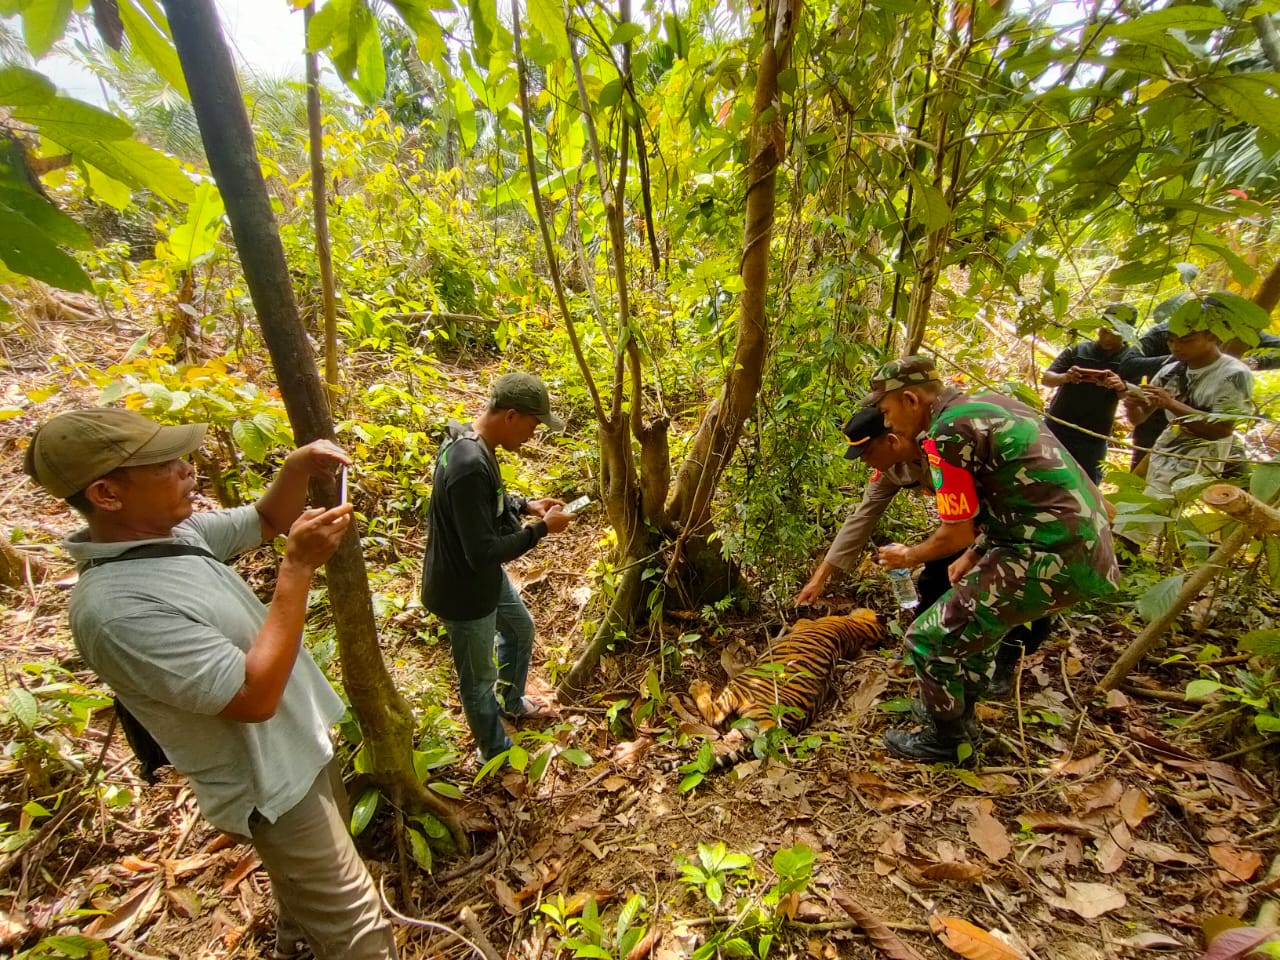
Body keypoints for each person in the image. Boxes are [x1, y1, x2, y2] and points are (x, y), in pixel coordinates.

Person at [22, 409, 395, 960]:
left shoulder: (176, 536)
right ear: (107, 493)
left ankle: (295, 944)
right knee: (360, 929)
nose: (187, 471)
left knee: (309, 890)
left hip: (302, 746)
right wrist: (297, 569)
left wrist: (295, 470)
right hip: (270, 784)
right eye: (164, 465)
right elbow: (252, 698)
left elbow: (266, 519)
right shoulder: (117, 610)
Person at [868, 356, 1118, 763]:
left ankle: (948, 740)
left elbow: (956, 532)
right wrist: (979, 552)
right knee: (973, 622)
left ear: (911, 399)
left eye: (886, 412)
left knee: (927, 639)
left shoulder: (945, 434)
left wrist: (909, 555)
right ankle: (959, 712)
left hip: (1051, 552)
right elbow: (1017, 495)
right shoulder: (992, 403)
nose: (889, 424)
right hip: (1072, 545)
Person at [795, 406, 1050, 698]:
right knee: (934, 582)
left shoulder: (947, 444)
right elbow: (862, 517)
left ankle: (1006, 662)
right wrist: (820, 577)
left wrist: (913, 555)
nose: (865, 463)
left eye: (867, 455)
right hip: (965, 524)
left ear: (891, 441)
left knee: (1025, 587)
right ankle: (931, 657)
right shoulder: (892, 468)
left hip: (1013, 517)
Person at [421, 372, 574, 762]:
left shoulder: (474, 445)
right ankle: (494, 751)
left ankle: (511, 702)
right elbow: (484, 551)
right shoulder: (469, 464)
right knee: (477, 680)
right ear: (510, 415)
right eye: (533, 424)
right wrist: (542, 529)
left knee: (520, 628)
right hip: (463, 590)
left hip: (480, 579)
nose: (533, 434)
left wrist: (526, 505)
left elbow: (486, 503)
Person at [1120, 314, 1254, 543]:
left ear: (1211, 337)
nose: (1176, 347)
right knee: (1139, 503)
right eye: (1172, 341)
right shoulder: (1170, 370)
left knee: (1151, 509)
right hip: (1168, 444)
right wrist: (1131, 404)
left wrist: (1171, 403)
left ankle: (1124, 557)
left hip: (1204, 449)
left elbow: (1222, 429)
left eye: (1186, 340)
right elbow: (1140, 418)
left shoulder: (1234, 374)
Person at [1041, 303, 1146, 482]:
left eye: (1114, 333)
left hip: (1093, 437)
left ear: (1127, 332)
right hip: (1058, 426)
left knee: (1087, 484)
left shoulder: (1131, 360)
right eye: (1104, 331)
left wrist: (1120, 386)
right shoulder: (1079, 350)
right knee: (1043, 475)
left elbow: (1133, 404)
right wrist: (1066, 377)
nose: (1107, 338)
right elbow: (1047, 379)